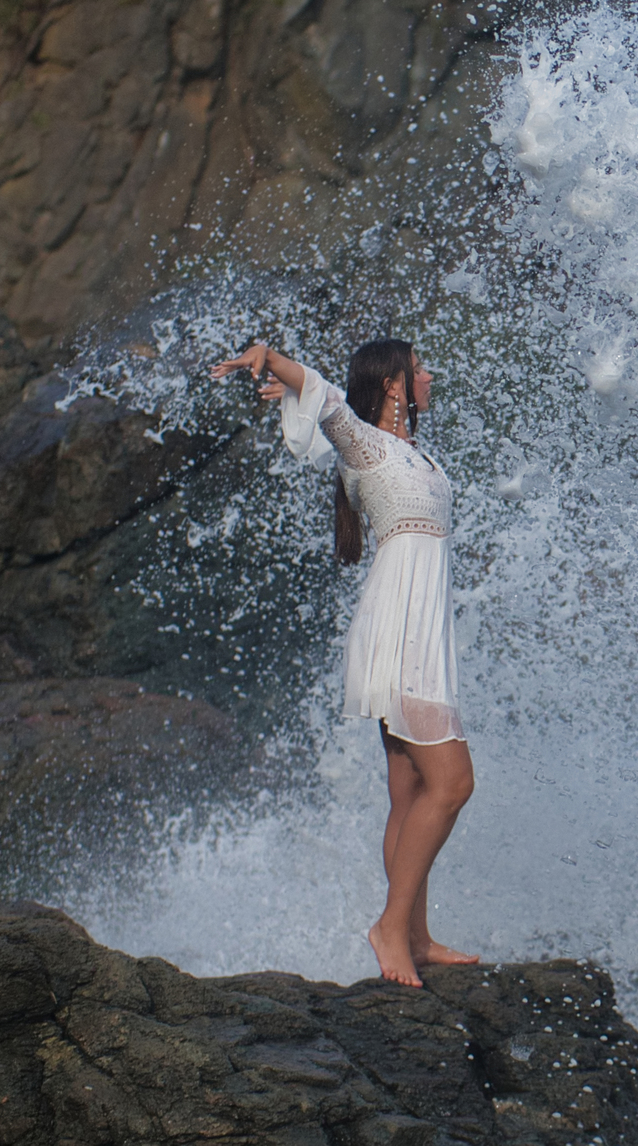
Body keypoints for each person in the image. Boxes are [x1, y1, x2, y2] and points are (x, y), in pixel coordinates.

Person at [212, 339, 478, 988]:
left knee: (410, 791)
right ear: (392, 384)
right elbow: (329, 398)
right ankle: (390, 926)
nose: (430, 373)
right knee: (452, 784)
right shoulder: (368, 445)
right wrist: (274, 362)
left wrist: (290, 387)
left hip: (417, 630)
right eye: (419, 368)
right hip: (401, 634)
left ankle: (414, 934)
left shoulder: (411, 452)